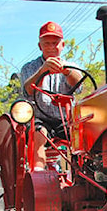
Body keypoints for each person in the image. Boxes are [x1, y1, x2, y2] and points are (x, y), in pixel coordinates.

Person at [19, 22, 84, 170]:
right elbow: (28, 90)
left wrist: (67, 71)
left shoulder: (71, 66)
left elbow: (79, 85)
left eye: (55, 43)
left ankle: (80, 174)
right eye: (47, 43)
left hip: (64, 119)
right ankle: (38, 173)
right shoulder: (29, 68)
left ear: (62, 45)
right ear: (40, 46)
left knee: (81, 134)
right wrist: (43, 71)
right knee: (39, 132)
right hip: (40, 118)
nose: (51, 47)